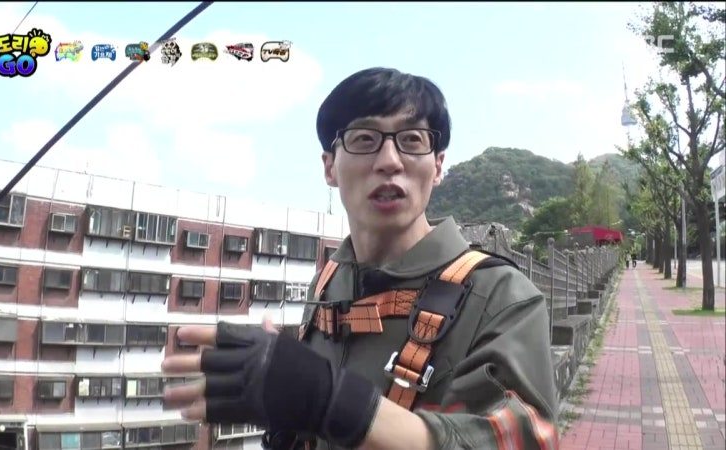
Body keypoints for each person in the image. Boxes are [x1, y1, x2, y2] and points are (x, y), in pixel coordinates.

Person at [162, 67, 559, 450]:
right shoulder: (328, 281)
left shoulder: (502, 297)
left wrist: (331, 399)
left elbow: (520, 439)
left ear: (438, 166)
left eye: (412, 140)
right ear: (329, 167)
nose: (390, 161)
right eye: (365, 139)